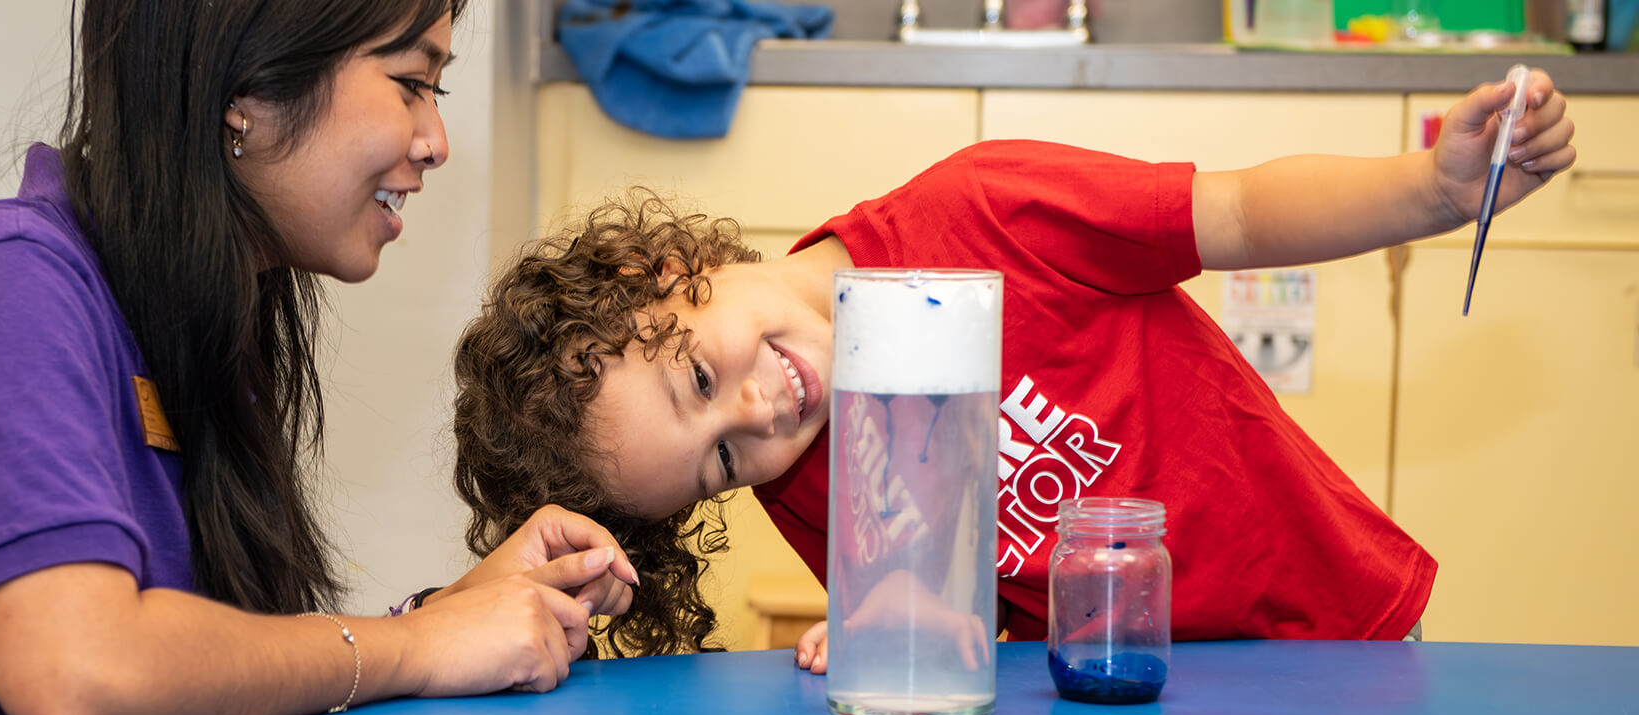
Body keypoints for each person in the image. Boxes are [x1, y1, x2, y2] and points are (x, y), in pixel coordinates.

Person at [450, 70, 1578, 665]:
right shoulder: (800, 477)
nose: (757, 418)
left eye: (699, 381)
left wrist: (1434, 186)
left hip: (1342, 635)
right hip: (1127, 693)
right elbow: (971, 618)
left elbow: (1234, 209)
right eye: (717, 466)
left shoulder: (985, 208)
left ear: (668, 265)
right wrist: (903, 621)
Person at [0, 1, 640, 715]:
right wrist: (415, 647)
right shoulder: (0, 284)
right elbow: (76, 674)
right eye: (411, 84)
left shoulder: (198, 316)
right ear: (246, 91)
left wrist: (451, 622)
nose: (435, 140)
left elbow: (202, 671)